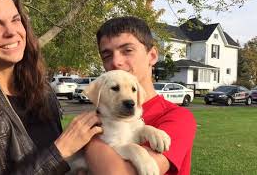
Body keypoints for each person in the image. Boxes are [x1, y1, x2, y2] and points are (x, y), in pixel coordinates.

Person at [0, 0, 102, 174]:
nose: (11, 31)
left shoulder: (42, 92)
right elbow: (58, 156)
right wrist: (58, 153)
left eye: (15, 20)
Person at [84, 16, 197, 175]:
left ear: (152, 56)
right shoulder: (99, 115)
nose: (116, 62)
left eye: (127, 50)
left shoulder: (178, 118)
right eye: (107, 55)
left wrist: (88, 142)